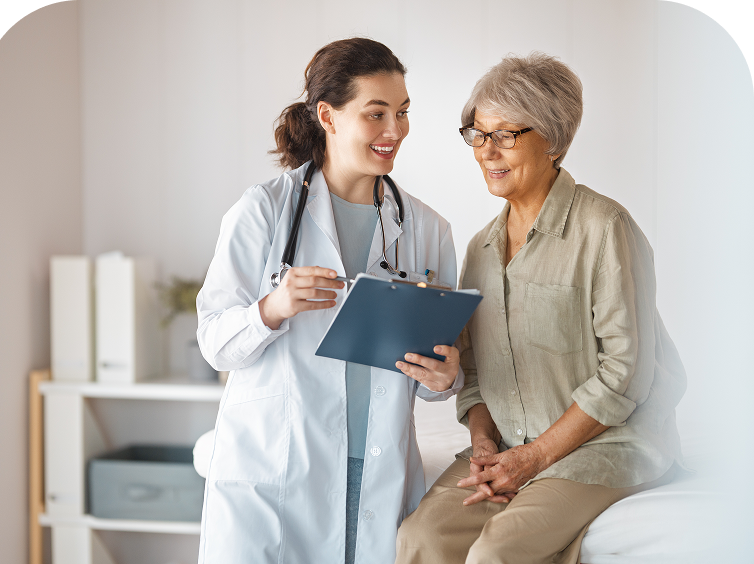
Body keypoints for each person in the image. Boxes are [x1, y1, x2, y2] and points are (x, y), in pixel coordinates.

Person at [395, 52, 687, 564]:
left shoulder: (605, 228)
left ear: (554, 141)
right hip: (510, 446)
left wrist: (531, 459)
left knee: (497, 552)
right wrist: (485, 445)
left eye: (506, 134)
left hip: (603, 450)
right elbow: (478, 373)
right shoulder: (480, 249)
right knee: (419, 537)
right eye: (478, 135)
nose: (488, 151)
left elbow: (625, 375)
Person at [196, 38, 463, 564]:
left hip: (378, 462)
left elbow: (437, 378)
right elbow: (214, 344)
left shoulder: (428, 229)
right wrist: (271, 308)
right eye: (377, 113)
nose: (395, 131)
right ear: (328, 116)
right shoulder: (263, 212)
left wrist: (447, 376)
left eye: (403, 112)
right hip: (282, 464)